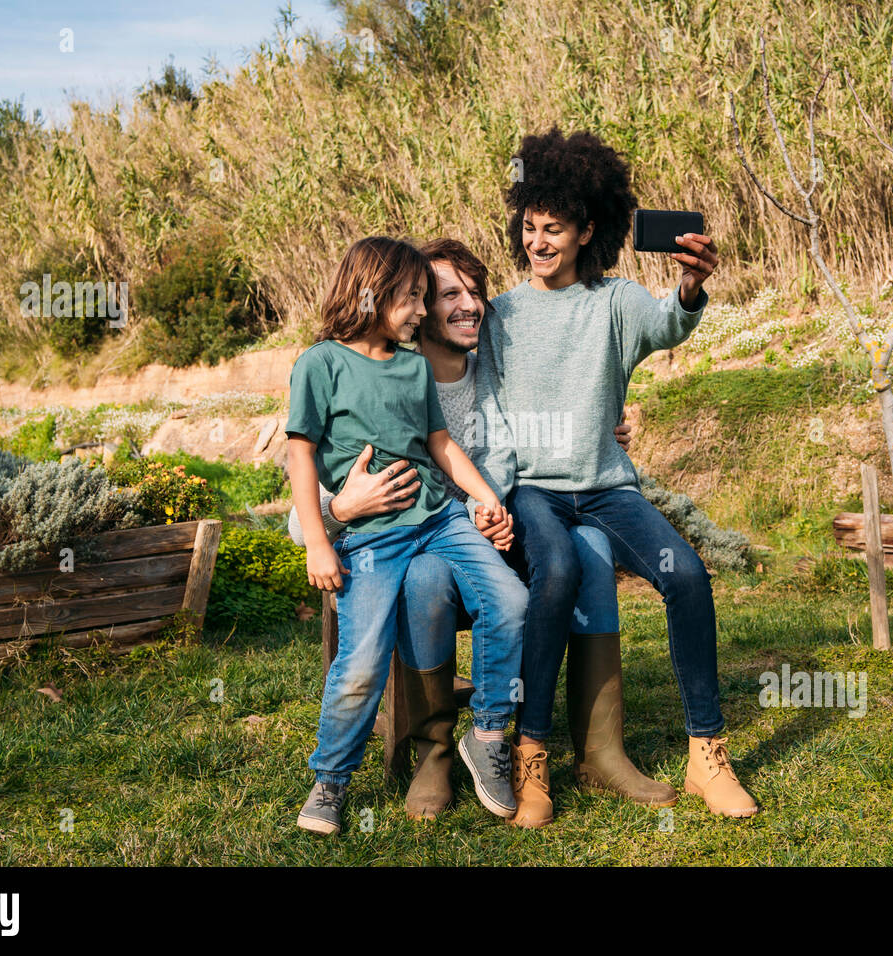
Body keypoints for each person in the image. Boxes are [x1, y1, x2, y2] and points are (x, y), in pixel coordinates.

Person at [288, 238, 675, 821]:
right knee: (416, 588)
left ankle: (576, 747)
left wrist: (601, 429)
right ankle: (430, 753)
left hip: (471, 523)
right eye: (441, 296)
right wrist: (337, 516)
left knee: (587, 549)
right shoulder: (331, 365)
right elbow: (302, 488)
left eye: (474, 293)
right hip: (384, 536)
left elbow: (549, 406)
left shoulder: (480, 366)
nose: (463, 306)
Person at [471, 127, 759, 826]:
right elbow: (486, 410)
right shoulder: (501, 315)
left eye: (555, 229)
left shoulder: (615, 300)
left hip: (605, 487)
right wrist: (497, 489)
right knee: (559, 573)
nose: (539, 242)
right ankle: (531, 756)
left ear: (586, 230)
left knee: (687, 576)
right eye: (530, 228)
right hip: (535, 490)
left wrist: (691, 283)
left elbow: (669, 324)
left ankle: (707, 755)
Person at [286, 236, 527, 835]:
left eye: (425, 298)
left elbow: (440, 444)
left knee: (511, 599)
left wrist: (485, 497)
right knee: (362, 660)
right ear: (371, 291)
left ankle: (489, 732)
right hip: (369, 540)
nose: (423, 312)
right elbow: (300, 456)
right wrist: (320, 541)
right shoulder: (321, 364)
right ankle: (330, 782)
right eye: (414, 298)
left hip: (439, 520)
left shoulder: (414, 365)